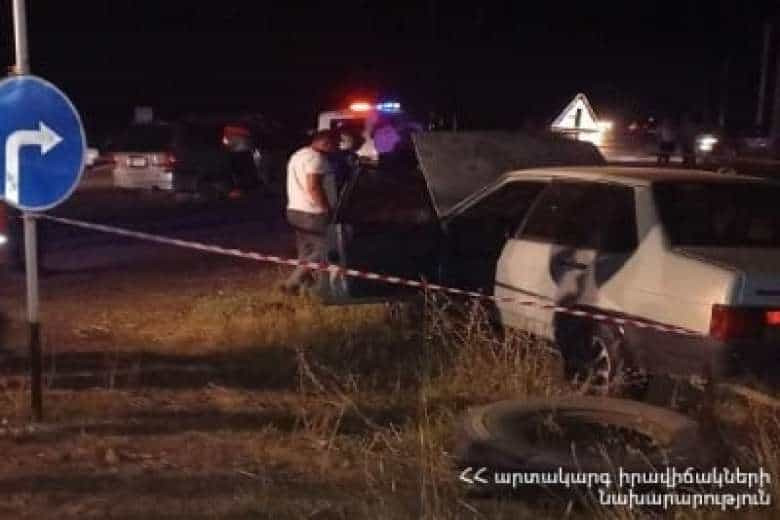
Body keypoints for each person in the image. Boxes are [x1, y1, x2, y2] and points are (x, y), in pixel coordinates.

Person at [282, 130, 339, 294]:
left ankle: (305, 289)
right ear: (326, 143)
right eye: (335, 144)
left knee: (306, 251)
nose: (337, 147)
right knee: (326, 249)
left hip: (295, 210)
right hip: (313, 213)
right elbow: (313, 186)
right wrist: (326, 209)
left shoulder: (298, 155)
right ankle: (294, 284)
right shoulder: (317, 159)